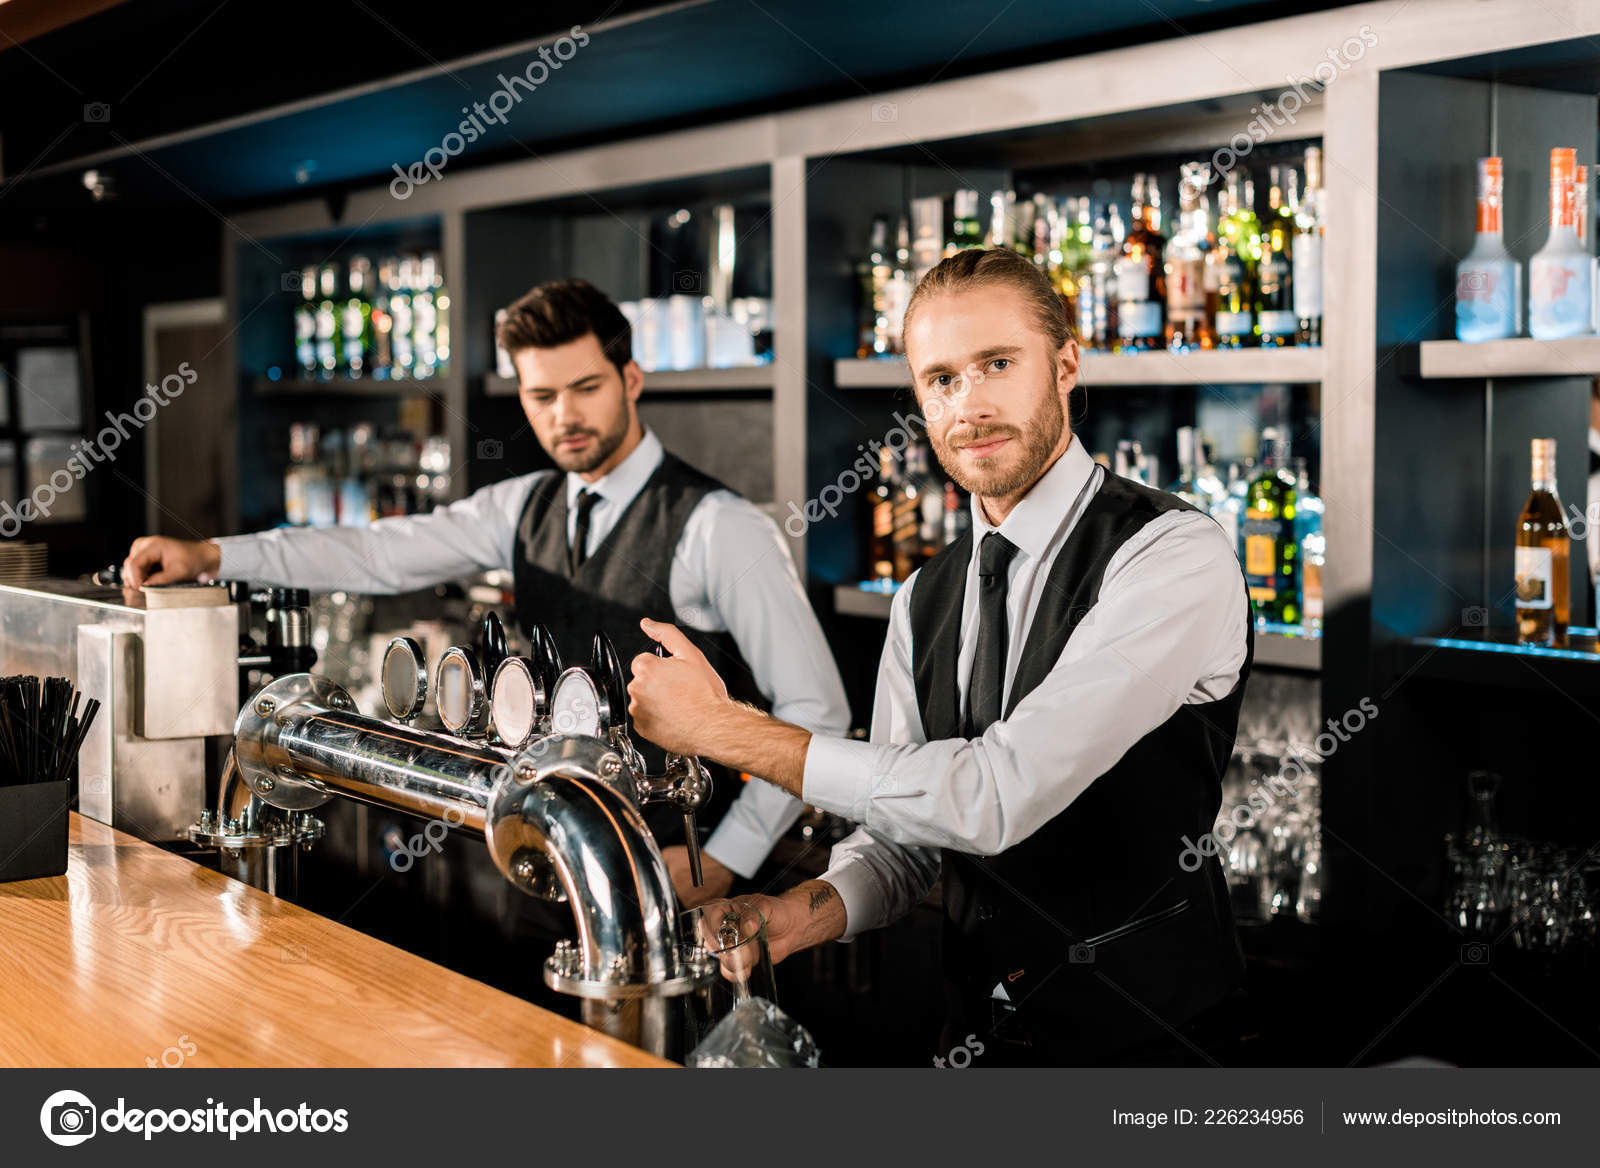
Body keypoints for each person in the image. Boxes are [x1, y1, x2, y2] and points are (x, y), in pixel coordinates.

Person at [627, 247, 1253, 1066]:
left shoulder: (1170, 555)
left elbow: (994, 796)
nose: (970, 405)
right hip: (973, 1038)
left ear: (1066, 364)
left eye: (998, 364)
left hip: (1148, 1045)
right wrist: (804, 912)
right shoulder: (926, 598)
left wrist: (724, 731)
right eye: (941, 379)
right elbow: (907, 837)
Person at [122, 278, 849, 906]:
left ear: (631, 379)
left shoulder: (721, 526)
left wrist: (725, 863)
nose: (563, 415)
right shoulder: (523, 506)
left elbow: (821, 712)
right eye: (542, 395)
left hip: (678, 861)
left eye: (586, 388)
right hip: (548, 844)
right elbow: (379, 552)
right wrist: (213, 555)